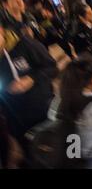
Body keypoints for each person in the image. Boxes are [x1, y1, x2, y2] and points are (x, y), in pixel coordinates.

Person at [0, 25, 58, 159]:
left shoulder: (24, 44)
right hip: (19, 126)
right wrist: (11, 137)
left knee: (55, 155)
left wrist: (32, 79)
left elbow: (52, 67)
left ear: (1, 31)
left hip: (45, 113)